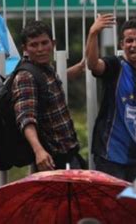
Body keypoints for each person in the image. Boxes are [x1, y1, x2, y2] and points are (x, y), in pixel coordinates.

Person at [12, 20, 86, 171]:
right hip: (51, 159)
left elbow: (55, 81)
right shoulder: (26, 76)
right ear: (25, 48)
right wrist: (39, 151)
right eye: (34, 45)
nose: (40, 49)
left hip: (68, 154)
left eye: (44, 43)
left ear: (53, 43)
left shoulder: (45, 68)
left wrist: (80, 67)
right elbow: (26, 118)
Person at [86, 14, 136, 182]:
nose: (134, 45)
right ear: (122, 44)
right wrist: (93, 34)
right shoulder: (116, 65)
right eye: (129, 41)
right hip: (111, 154)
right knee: (112, 207)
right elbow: (93, 65)